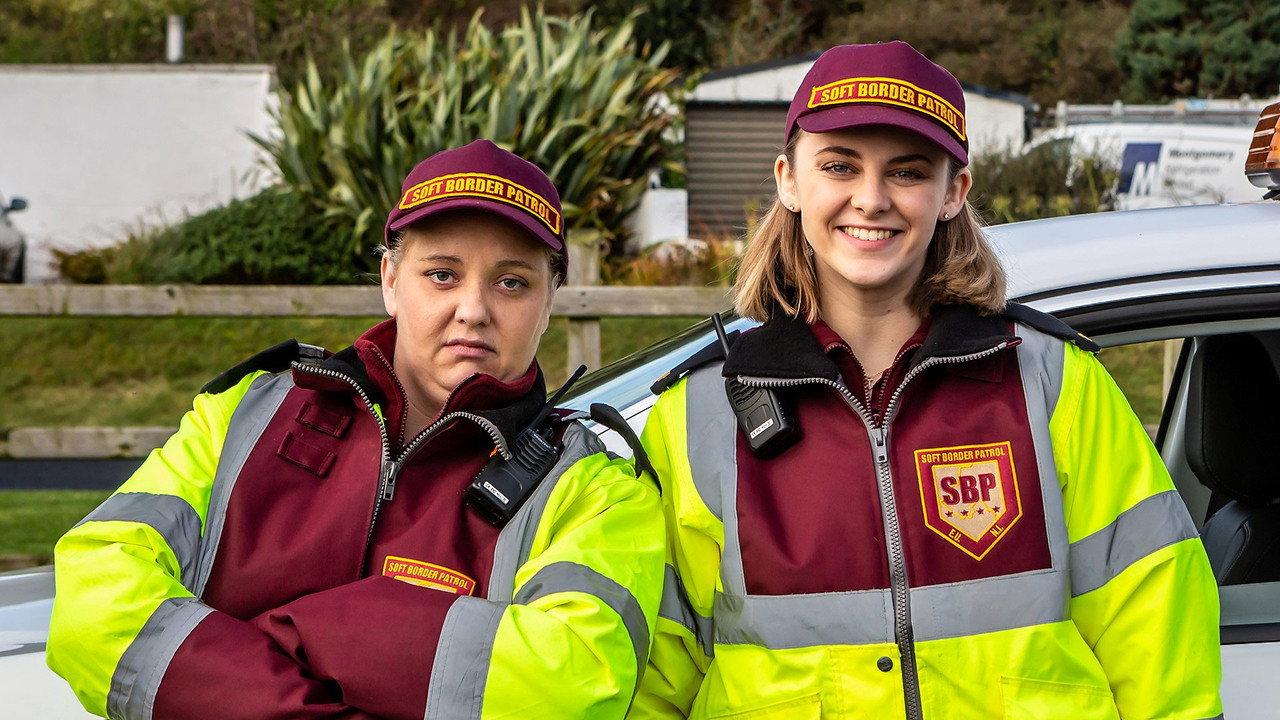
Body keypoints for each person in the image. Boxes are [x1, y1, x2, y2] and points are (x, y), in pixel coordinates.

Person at [630, 42, 1222, 719]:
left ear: (954, 192)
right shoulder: (699, 411)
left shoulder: (1052, 381)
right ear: (789, 181)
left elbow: (1156, 629)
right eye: (839, 166)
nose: (870, 199)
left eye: (907, 172)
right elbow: (653, 682)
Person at [47, 139, 664, 720]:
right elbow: (94, 603)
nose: (473, 310)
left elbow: (579, 680)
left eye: (512, 283)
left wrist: (295, 632)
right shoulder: (244, 417)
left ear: (550, 301)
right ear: (391, 281)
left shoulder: (596, 492)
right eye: (442, 274)